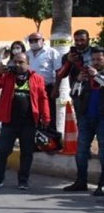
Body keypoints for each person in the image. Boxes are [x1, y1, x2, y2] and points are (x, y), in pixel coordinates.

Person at [0, 52, 50, 190]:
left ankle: (23, 180)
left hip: (28, 123)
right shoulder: (7, 76)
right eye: (15, 62)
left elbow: (43, 98)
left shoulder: (37, 78)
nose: (17, 64)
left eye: (21, 62)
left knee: (27, 153)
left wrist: (46, 117)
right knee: (3, 152)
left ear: (28, 63)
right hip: (9, 122)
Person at [63, 47, 104, 197]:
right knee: (80, 151)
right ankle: (81, 181)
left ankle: (102, 185)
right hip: (86, 117)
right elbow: (73, 94)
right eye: (94, 60)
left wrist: (97, 76)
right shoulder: (87, 75)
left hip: (102, 118)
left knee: (103, 153)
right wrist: (78, 81)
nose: (96, 62)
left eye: (99, 59)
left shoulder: (97, 75)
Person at [26, 32, 61, 126]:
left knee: (49, 115)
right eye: (31, 40)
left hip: (47, 88)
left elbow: (59, 72)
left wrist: (56, 88)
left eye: (36, 40)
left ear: (42, 40)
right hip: (31, 89)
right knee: (33, 114)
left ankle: (52, 139)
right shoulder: (27, 53)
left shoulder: (51, 52)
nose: (33, 42)